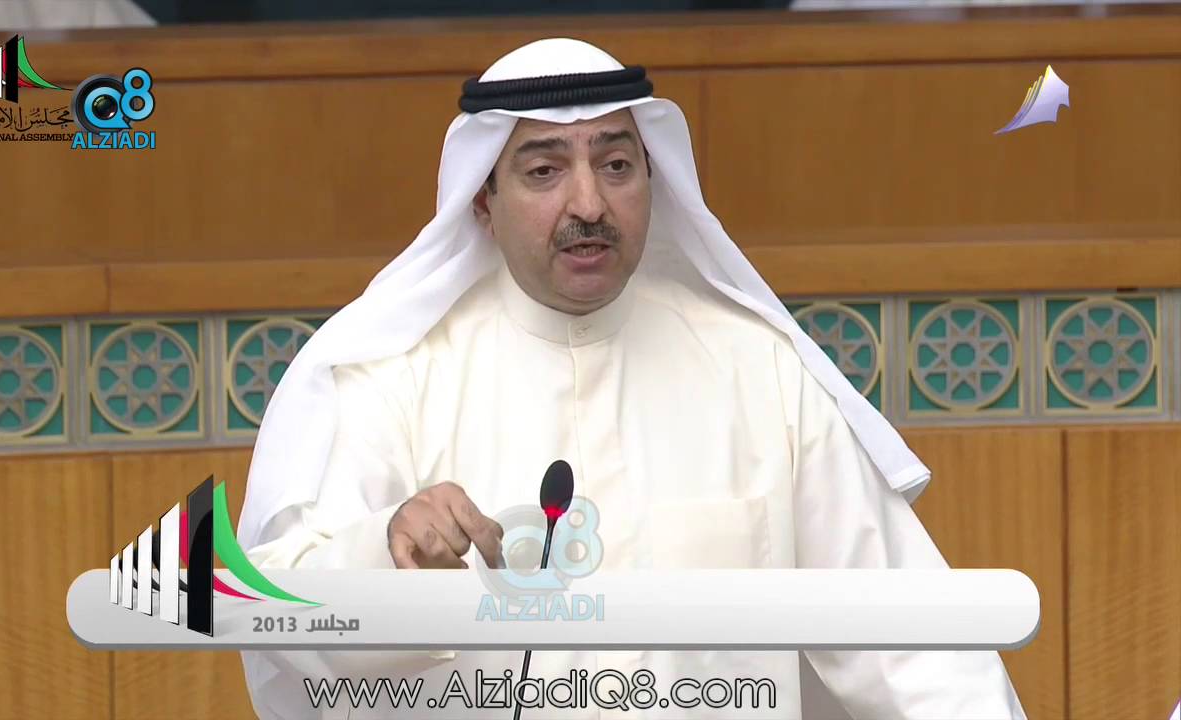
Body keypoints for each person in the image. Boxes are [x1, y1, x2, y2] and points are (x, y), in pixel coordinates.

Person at [235, 37, 1028, 719]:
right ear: (482, 200)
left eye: (616, 165)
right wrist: (385, 551)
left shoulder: (759, 371)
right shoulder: (393, 378)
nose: (589, 203)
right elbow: (279, 614)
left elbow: (914, 645)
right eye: (543, 172)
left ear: (653, 177)